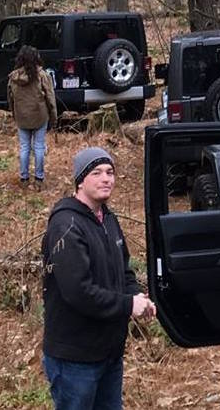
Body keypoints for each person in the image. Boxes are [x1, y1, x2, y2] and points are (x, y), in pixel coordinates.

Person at [42, 147, 153, 410]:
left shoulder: (108, 218)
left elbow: (124, 269)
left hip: (109, 352)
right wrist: (127, 306)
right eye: (97, 172)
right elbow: (78, 291)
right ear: (80, 180)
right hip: (75, 357)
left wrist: (136, 295)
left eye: (110, 172)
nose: (106, 179)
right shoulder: (66, 225)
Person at [8, 45, 60, 185]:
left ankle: (24, 178)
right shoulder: (42, 76)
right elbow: (50, 98)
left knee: (24, 147)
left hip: (22, 117)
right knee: (39, 147)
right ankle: (39, 178)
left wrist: (14, 114)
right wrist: (54, 117)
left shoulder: (14, 77)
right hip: (40, 116)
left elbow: (10, 98)